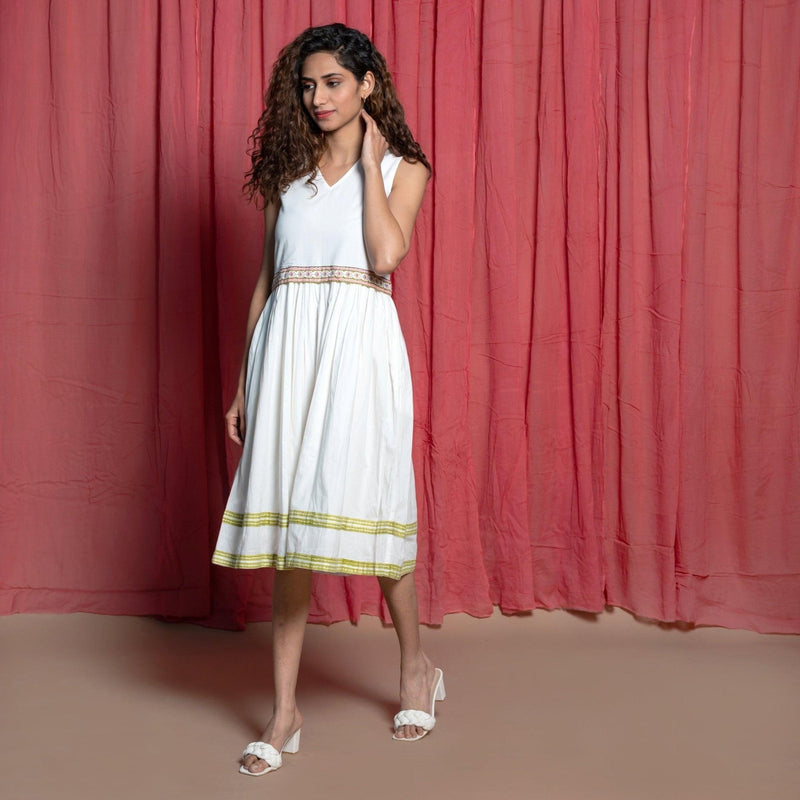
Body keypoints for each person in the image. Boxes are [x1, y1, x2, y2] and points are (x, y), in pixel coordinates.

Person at [211, 23, 445, 777]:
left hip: (360, 354)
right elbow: (266, 282)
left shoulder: (404, 168)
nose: (317, 98)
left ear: (367, 85)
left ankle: (416, 668)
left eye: (334, 83)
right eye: (307, 85)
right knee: (289, 530)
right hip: (287, 355)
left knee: (374, 512)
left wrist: (374, 165)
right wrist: (245, 380)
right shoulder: (287, 171)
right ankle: (284, 712)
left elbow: (384, 255)